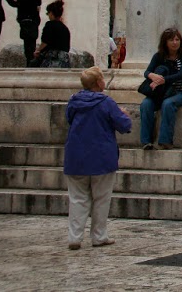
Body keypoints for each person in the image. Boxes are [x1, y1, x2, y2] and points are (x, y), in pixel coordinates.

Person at [62, 65, 132, 249]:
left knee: (77, 198)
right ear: (98, 82)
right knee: (101, 197)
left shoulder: (73, 101)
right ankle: (99, 235)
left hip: (76, 155)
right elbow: (123, 125)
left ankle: (74, 237)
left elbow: (69, 119)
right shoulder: (106, 102)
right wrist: (124, 114)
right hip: (102, 155)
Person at [138, 26, 182, 150]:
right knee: (146, 105)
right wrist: (152, 75)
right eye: (171, 40)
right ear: (165, 42)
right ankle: (146, 141)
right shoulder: (159, 56)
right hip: (161, 93)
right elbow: (147, 71)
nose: (175, 43)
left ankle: (165, 140)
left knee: (168, 104)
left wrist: (164, 80)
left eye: (177, 40)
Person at [6, 0, 43, 64]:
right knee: (28, 47)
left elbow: (35, 2)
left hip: (29, 20)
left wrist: (19, 2)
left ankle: (31, 65)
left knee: (29, 48)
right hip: (28, 20)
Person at [34, 0, 71, 68]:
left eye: (48, 13)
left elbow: (45, 42)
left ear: (51, 13)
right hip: (64, 61)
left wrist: (37, 50)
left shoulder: (50, 25)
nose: (48, 15)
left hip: (52, 59)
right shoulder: (65, 28)